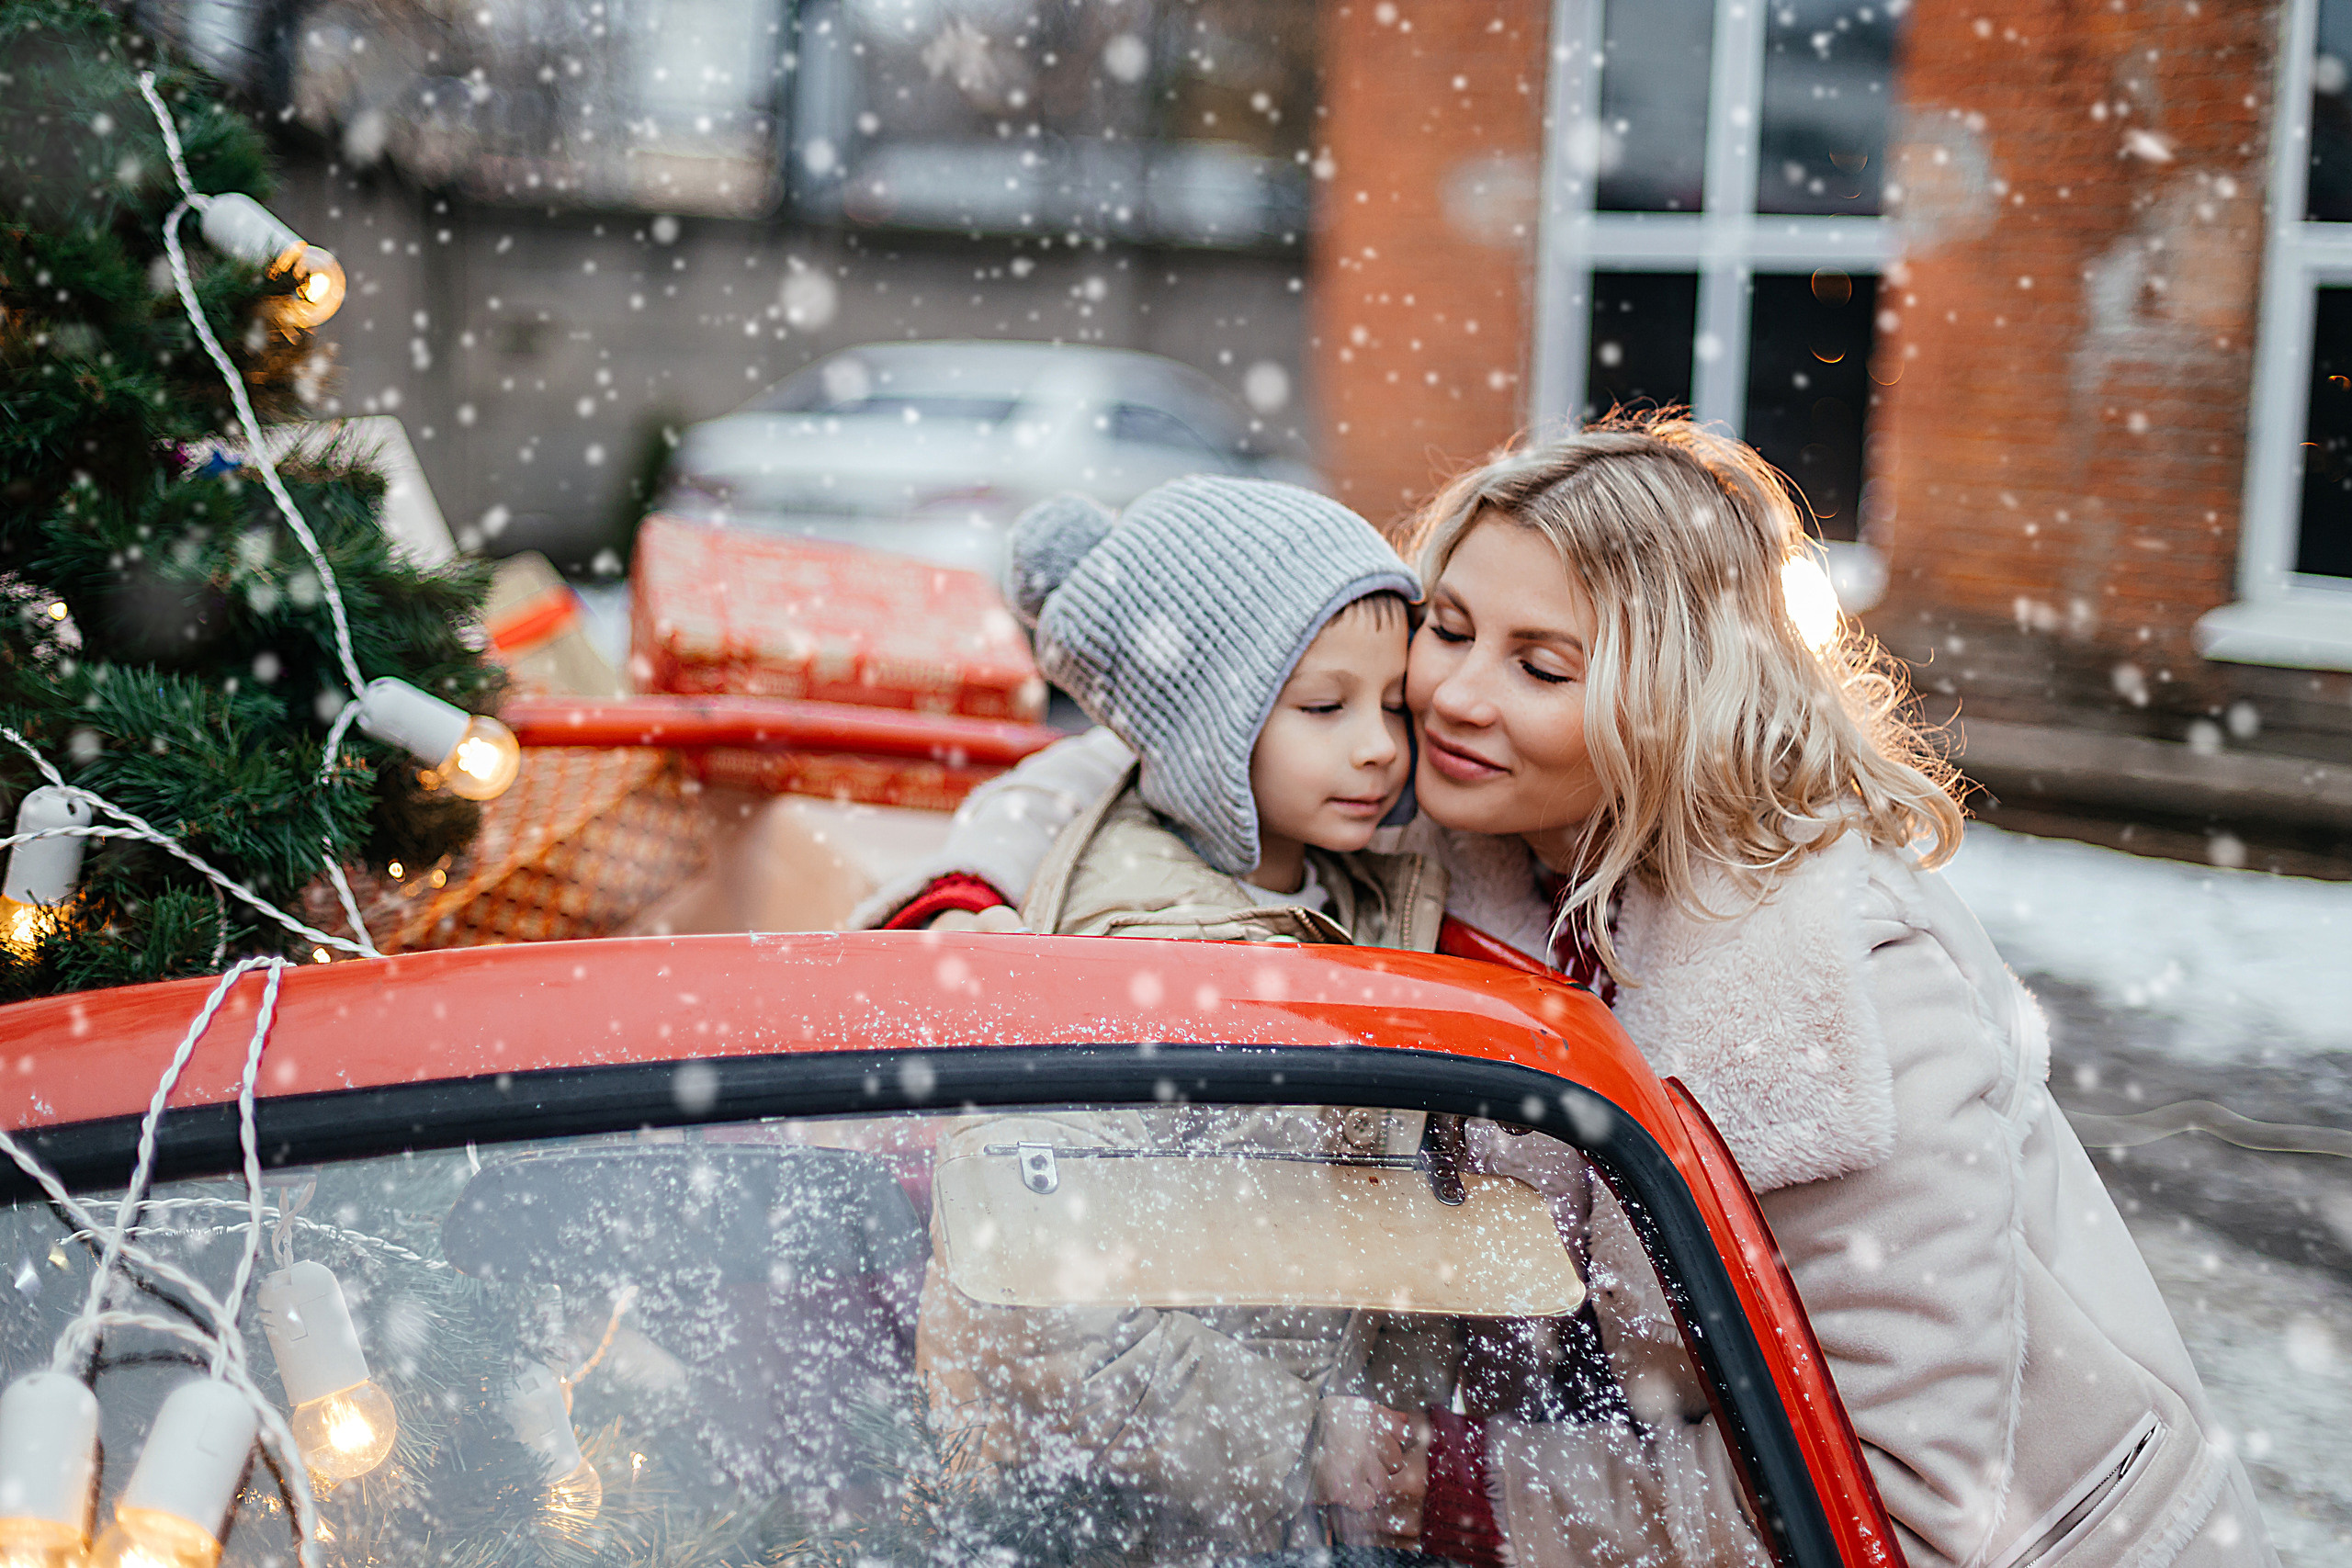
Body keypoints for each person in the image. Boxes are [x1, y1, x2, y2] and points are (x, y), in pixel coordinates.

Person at [869, 416, 2278, 1568]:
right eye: (1451, 626)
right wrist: (977, 907)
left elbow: (1894, 1506)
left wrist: (1459, 1488)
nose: (1452, 697)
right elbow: (1146, 761)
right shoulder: (1458, 800)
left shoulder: (1848, 995)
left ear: (1678, 696)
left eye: (1541, 664)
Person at [910, 475, 1454, 1560]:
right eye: (1322, 706)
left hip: (1289, 1513)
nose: (1379, 748)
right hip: (1133, 1527)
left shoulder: (1345, 890)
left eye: (1393, 704)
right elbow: (1033, 1298)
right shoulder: (1135, 954)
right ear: (1207, 729)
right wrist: (1298, 1444)